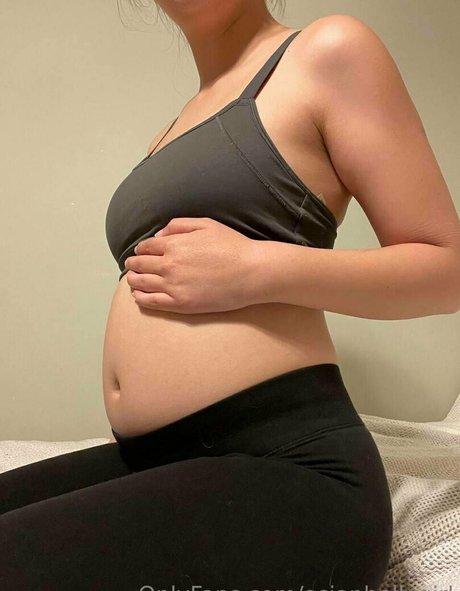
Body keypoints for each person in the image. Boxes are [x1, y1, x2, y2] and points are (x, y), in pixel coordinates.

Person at [2, 1, 460, 589]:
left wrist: (256, 267)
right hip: (166, 458)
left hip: (288, 467)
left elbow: (446, 271)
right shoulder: (181, 120)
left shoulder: (327, 51)